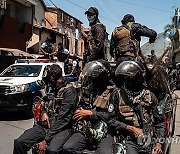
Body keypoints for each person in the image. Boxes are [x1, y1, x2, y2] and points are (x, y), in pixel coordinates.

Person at [13, 64, 78, 154]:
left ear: (52, 76)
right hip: (45, 126)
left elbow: (64, 119)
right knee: (19, 143)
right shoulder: (51, 87)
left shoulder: (69, 91)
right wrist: (43, 112)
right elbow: (42, 102)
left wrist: (46, 140)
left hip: (61, 128)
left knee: (52, 150)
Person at [107, 61, 164, 154]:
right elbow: (111, 121)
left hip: (148, 140)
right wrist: (130, 128)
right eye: (125, 76)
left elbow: (160, 123)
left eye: (130, 76)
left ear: (139, 77)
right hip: (127, 140)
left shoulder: (150, 96)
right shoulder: (117, 95)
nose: (127, 79)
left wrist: (159, 144)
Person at [62, 60, 118, 154]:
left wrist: (90, 113)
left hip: (107, 130)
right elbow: (81, 106)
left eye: (96, 74)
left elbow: (112, 116)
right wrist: (80, 115)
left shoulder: (114, 92)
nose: (93, 78)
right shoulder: (89, 90)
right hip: (87, 127)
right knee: (68, 148)